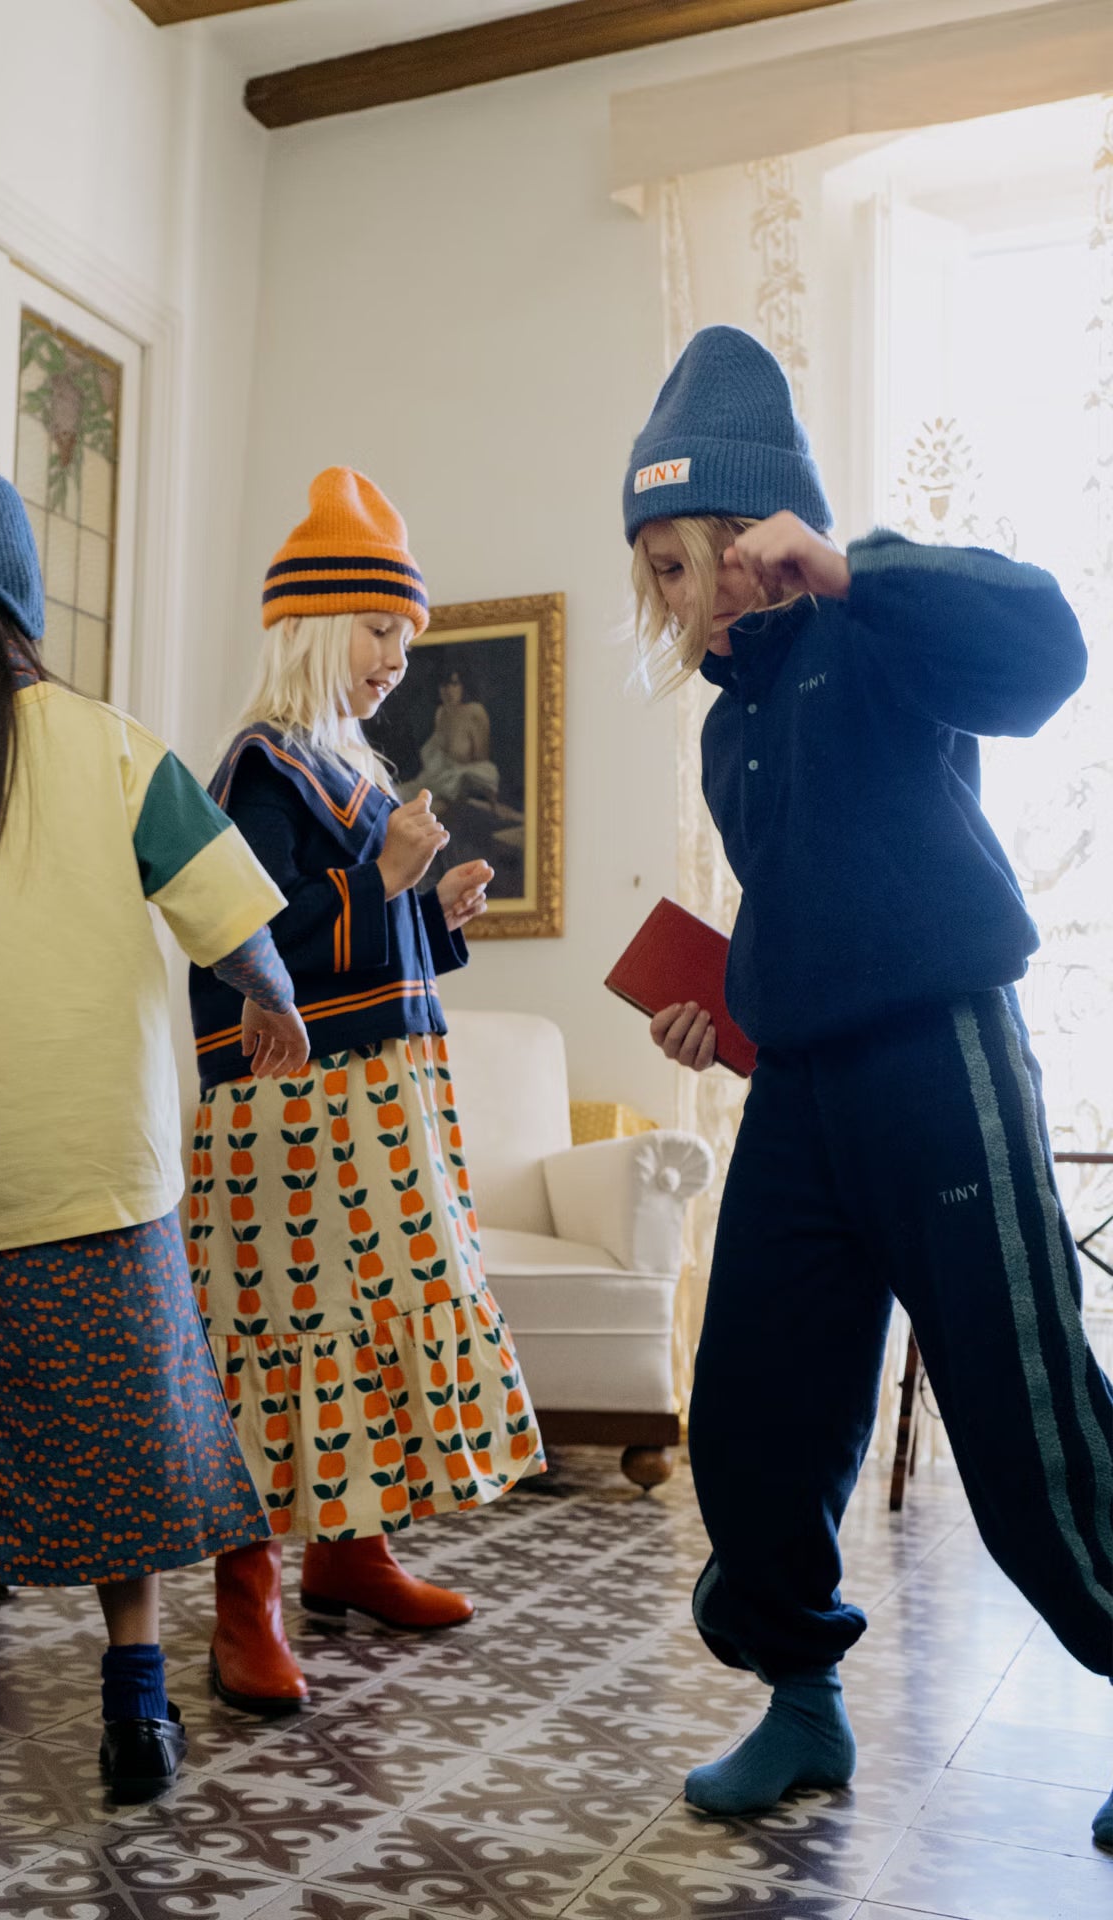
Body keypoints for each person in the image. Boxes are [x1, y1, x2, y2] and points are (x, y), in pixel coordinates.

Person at [623, 326, 1113, 1852]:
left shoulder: (876, 617)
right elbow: (811, 909)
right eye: (657, 569)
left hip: (941, 1061)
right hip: (801, 1092)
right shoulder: (730, 730)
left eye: (694, 554)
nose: (682, 593)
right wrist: (726, 1018)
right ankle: (800, 1703)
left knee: (1025, 1417)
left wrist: (844, 569)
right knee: (753, 1412)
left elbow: (1045, 652)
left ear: (756, 530)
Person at [0, 425, 307, 1802]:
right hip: (100, 1173)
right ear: (16, 592)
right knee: (135, 1437)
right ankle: (135, 1708)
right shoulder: (106, 747)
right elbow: (225, 913)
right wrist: (274, 999)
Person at [188, 468, 545, 1714]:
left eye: (406, 635)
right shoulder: (260, 767)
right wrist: (383, 883)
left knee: (371, 1315)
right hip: (287, 1110)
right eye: (380, 629)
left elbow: (354, 938)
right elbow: (242, 941)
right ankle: (245, 1597)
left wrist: (429, 910)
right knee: (278, 1331)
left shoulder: (346, 767)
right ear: (316, 625)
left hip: (370, 1099)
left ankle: (350, 1551)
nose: (399, 658)